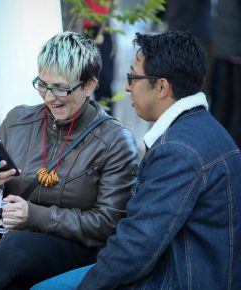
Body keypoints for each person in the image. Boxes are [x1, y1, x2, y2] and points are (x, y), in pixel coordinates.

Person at [31, 31, 241, 289]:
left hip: (177, 278)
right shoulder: (207, 129)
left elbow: (136, 247)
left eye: (133, 77)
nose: (127, 86)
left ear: (162, 87)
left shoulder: (177, 151)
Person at [0, 31, 139, 290]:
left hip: (78, 252)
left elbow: (108, 224)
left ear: (89, 85)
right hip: (12, 250)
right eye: (42, 84)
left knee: (17, 246)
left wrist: (34, 215)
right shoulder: (18, 122)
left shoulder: (115, 141)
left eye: (61, 88)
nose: (49, 97)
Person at [210, 0, 241, 148]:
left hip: (222, 49)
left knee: (222, 102)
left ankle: (219, 147)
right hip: (234, 48)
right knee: (234, 106)